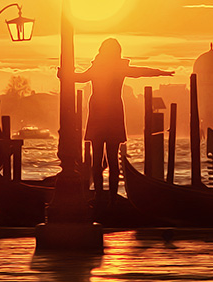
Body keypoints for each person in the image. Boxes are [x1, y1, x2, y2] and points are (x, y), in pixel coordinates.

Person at [71, 39, 172, 196]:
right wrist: (161, 72)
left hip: (99, 113)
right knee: (112, 159)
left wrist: (64, 75)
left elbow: (80, 78)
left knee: (97, 159)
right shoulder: (117, 67)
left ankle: (99, 195)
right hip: (113, 113)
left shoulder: (98, 67)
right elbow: (140, 72)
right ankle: (111, 198)